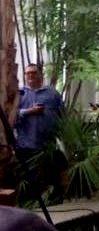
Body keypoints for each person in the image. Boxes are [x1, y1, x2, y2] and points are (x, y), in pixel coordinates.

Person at [14, 63, 64, 191]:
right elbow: (11, 116)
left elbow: (63, 116)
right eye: (27, 73)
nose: (30, 75)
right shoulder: (19, 94)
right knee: (30, 183)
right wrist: (29, 111)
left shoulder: (52, 94)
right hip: (26, 146)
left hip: (48, 146)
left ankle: (54, 206)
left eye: (34, 72)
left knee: (51, 181)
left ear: (40, 75)